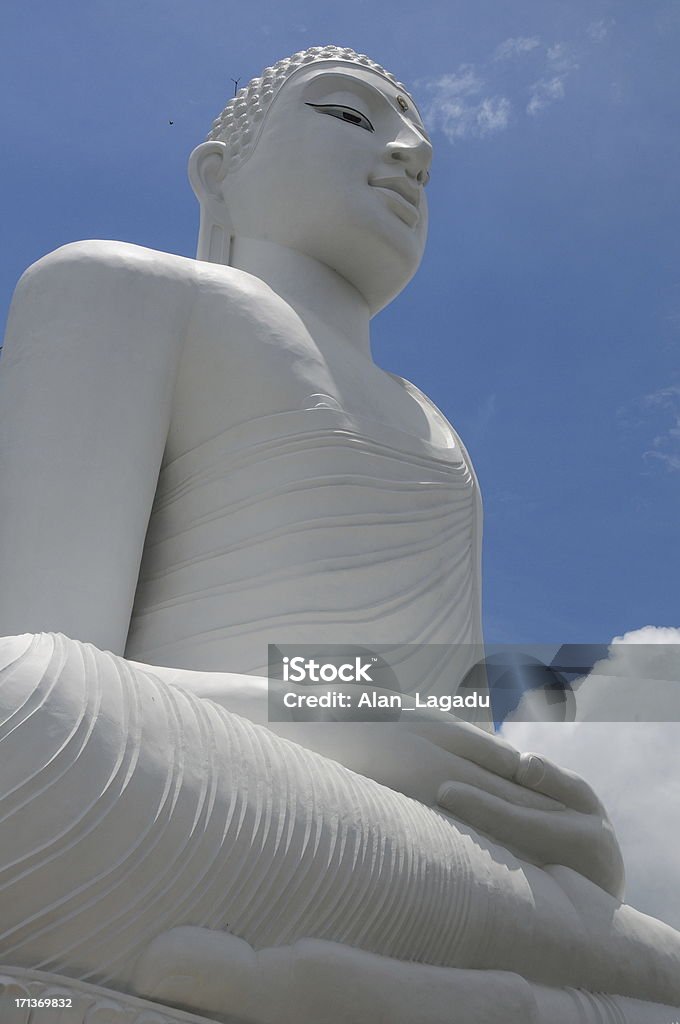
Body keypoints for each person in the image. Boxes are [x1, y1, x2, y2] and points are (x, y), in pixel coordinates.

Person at [0, 46, 678, 1022]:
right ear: (216, 170)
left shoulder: (439, 432)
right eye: (354, 119)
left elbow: (453, 745)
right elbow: (40, 651)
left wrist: (512, 805)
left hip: (407, 851)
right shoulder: (123, 287)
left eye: (422, 153)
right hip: (183, 781)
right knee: (28, 713)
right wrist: (364, 729)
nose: (405, 153)